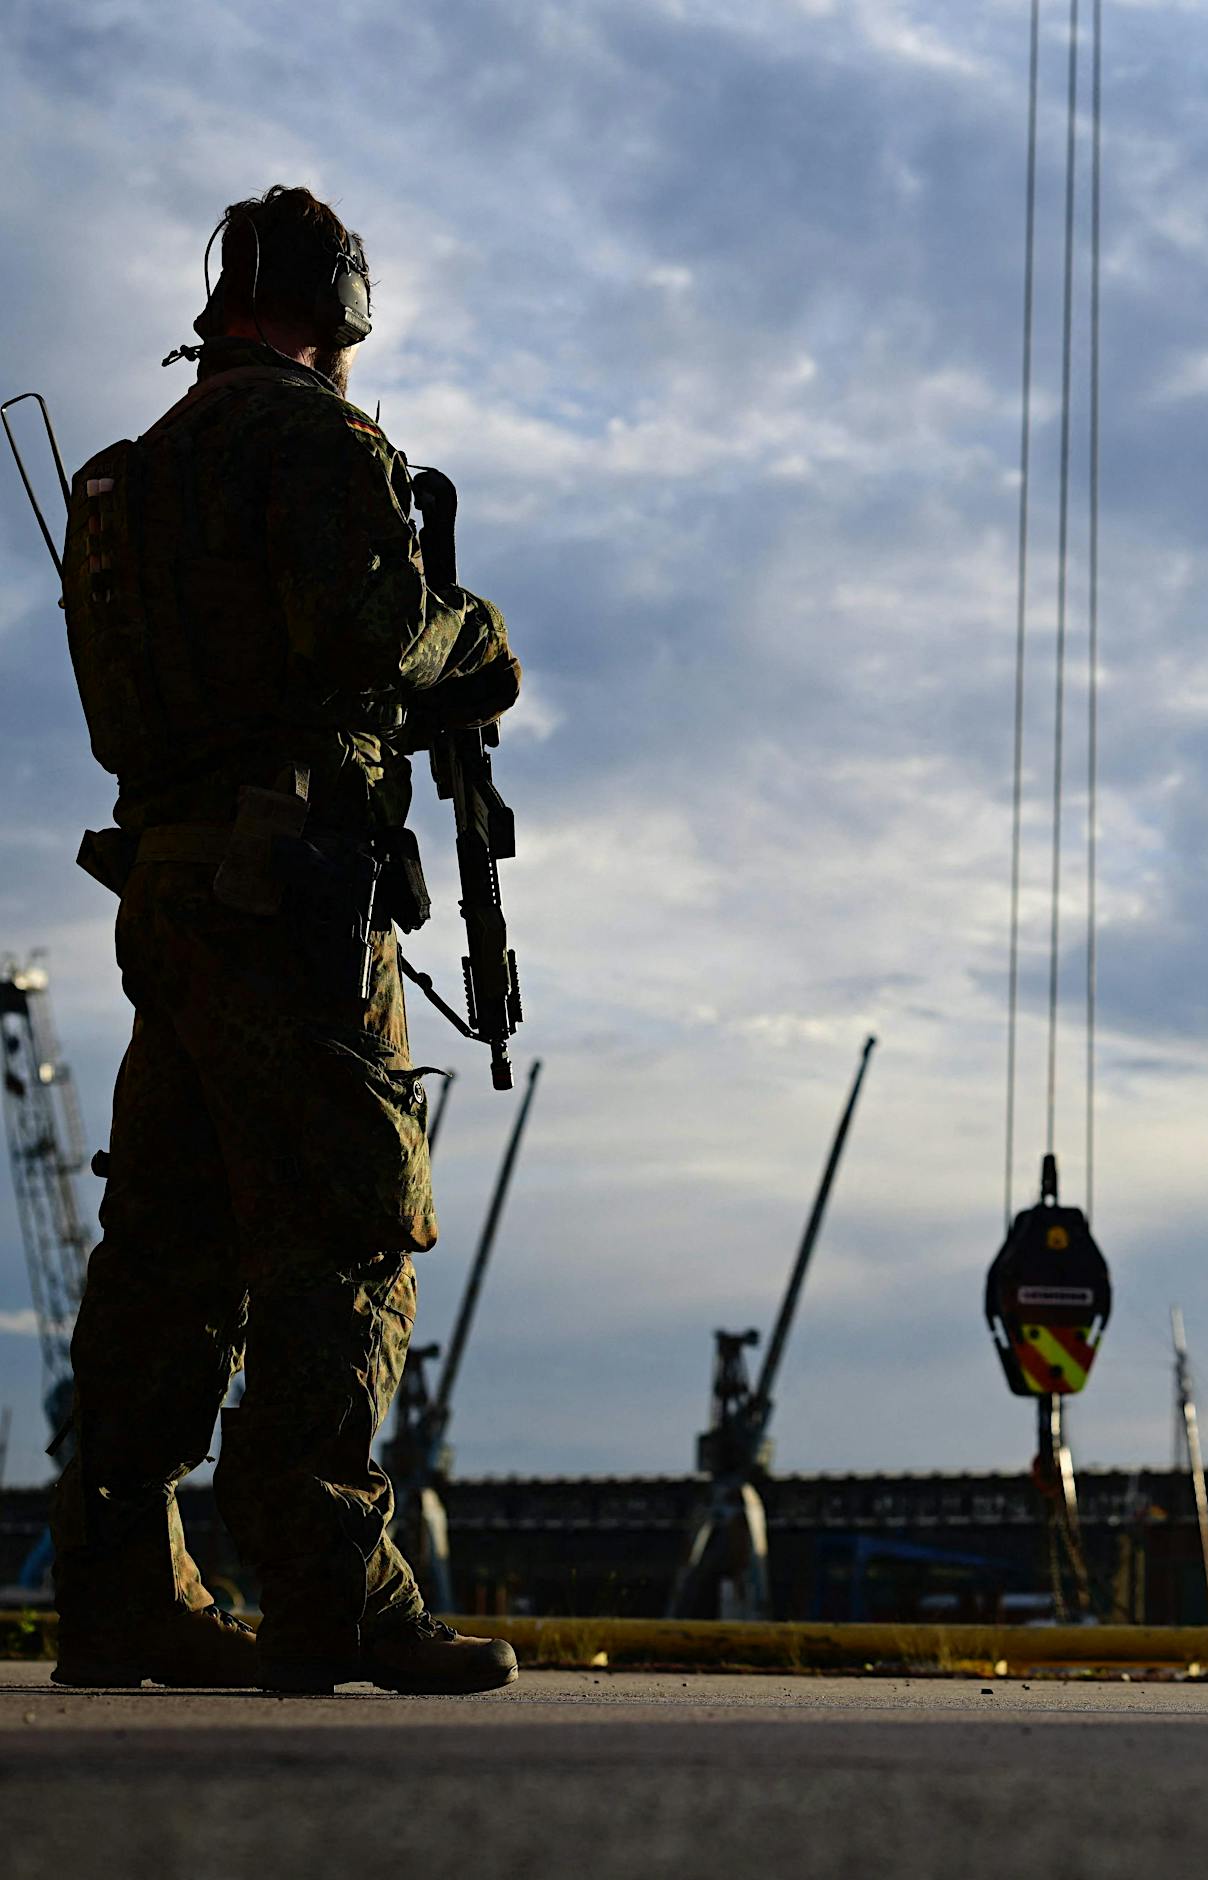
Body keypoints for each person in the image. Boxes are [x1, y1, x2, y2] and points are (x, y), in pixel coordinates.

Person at [49, 185, 522, 1695]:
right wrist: (478, 641)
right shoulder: (314, 442)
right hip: (297, 896)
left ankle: (118, 1591)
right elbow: (383, 635)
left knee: (167, 1254)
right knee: (345, 1229)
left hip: (171, 892)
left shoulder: (134, 475)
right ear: (342, 305)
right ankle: (333, 1584)